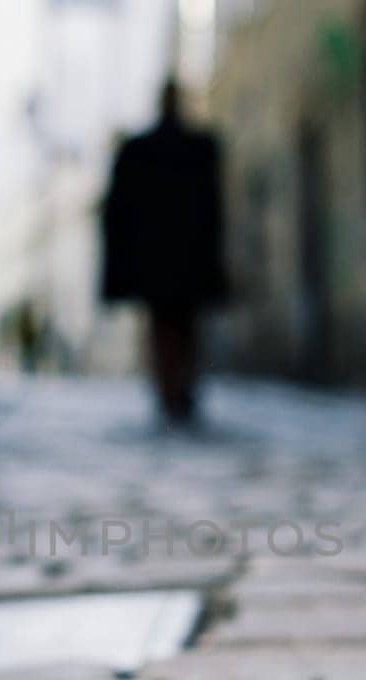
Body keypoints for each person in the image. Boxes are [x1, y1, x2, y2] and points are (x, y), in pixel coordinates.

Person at [102, 80, 226, 423]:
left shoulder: (139, 150)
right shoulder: (199, 148)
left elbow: (119, 212)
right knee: (182, 327)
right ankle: (177, 387)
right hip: (186, 262)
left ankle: (172, 388)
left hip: (157, 264)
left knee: (167, 327)